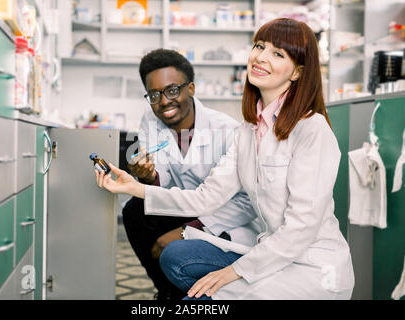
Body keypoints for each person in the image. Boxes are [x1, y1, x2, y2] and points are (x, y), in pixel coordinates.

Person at [97, 18, 355, 300]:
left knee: (201, 300)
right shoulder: (249, 131)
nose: (261, 57)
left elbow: (300, 230)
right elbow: (203, 198)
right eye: (259, 46)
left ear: (297, 73)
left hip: (313, 268)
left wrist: (231, 273)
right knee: (176, 260)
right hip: (270, 256)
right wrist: (133, 187)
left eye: (278, 54)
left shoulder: (311, 130)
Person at [121, 48, 261, 300]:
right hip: (182, 204)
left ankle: (185, 285)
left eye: (172, 90)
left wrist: (191, 229)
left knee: (172, 248)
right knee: (134, 210)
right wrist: (147, 174)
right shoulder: (150, 120)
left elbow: (247, 201)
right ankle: (168, 291)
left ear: (191, 89)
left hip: (222, 216)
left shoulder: (227, 131)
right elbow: (159, 174)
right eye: (154, 94)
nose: (164, 101)